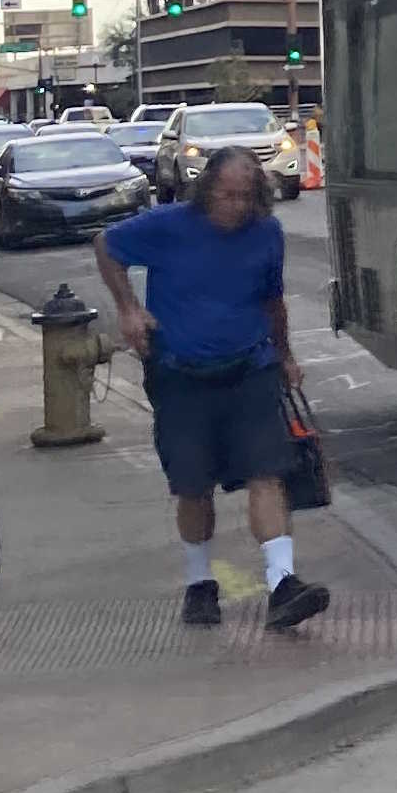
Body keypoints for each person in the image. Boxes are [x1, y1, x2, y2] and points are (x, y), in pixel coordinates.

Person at [94, 145, 327, 630]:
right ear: (206, 192)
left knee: (267, 473)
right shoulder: (169, 226)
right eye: (227, 196)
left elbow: (273, 301)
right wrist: (128, 308)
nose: (236, 206)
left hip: (251, 369)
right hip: (181, 376)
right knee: (194, 486)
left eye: (246, 197)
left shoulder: (267, 233)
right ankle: (200, 585)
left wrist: (284, 355)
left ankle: (283, 584)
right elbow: (106, 245)